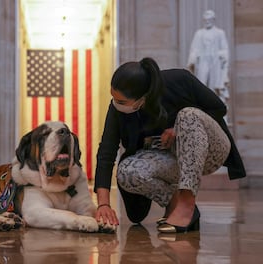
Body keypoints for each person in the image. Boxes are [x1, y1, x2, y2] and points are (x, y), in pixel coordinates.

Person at [94, 57, 246, 233]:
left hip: (210, 151)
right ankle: (177, 205)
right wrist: (103, 204)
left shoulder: (180, 80)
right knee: (127, 172)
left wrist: (177, 129)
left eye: (121, 102)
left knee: (188, 116)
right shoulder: (118, 109)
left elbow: (219, 108)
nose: (115, 104)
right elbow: (106, 151)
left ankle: (187, 203)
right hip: (171, 161)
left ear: (143, 97)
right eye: (113, 98)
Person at [187, 10, 230, 105]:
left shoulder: (220, 33)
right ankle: (203, 105)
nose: (207, 22)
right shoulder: (199, 33)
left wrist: (221, 55)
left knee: (214, 85)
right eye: (206, 20)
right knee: (201, 83)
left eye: (209, 20)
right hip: (203, 61)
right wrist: (193, 59)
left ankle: (214, 105)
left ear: (213, 20)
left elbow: (225, 49)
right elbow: (194, 48)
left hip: (215, 61)